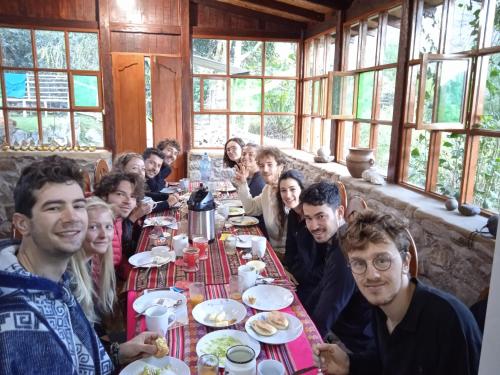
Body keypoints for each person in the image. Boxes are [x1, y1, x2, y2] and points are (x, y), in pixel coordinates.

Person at [0, 155, 161, 374]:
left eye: (77, 205)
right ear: (22, 223)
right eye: (54, 208)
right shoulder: (16, 317)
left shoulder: (57, 282)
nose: (72, 217)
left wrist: (119, 351)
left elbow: (78, 354)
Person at [314, 209, 482, 375]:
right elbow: (383, 364)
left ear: (406, 262)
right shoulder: (380, 307)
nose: (371, 275)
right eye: (358, 263)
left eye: (382, 260)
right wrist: (350, 364)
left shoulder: (449, 321)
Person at [292, 181, 373, 352]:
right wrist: (299, 314)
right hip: (341, 329)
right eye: (308, 218)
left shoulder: (346, 253)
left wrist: (301, 346)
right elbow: (322, 287)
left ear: (340, 212)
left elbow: (326, 314)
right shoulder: (338, 239)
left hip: (354, 344)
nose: (313, 226)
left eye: (321, 216)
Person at [69, 197, 116, 325]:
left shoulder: (88, 261)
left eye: (108, 227)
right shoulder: (69, 278)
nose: (104, 235)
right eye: (93, 227)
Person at [234, 147, 287, 248]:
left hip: (286, 254)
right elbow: (251, 209)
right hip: (272, 247)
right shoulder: (268, 189)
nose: (265, 170)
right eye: (261, 166)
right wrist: (243, 184)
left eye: (270, 165)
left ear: (280, 167)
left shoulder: (286, 192)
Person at [94, 172, 143, 278]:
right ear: (104, 195)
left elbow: (119, 258)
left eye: (133, 196)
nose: (128, 201)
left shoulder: (118, 218)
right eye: (120, 194)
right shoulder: (97, 222)